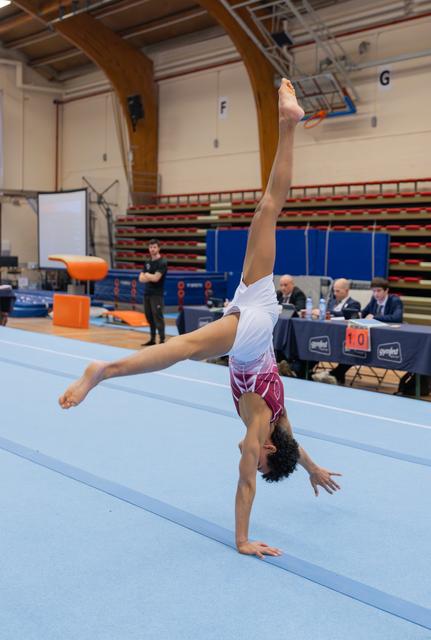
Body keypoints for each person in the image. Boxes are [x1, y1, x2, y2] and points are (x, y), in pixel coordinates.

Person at [58, 79, 341, 559]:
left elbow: (294, 446)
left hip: (255, 312)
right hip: (250, 334)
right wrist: (242, 539)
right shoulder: (258, 434)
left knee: (267, 211)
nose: (251, 459)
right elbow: (246, 485)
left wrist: (311, 468)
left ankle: (288, 125)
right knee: (184, 348)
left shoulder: (279, 424)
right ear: (267, 451)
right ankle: (102, 371)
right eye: (263, 462)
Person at [313, 277, 404, 385]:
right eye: (373, 291)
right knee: (354, 348)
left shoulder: (395, 300)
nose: (375, 294)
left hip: (390, 338)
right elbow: (364, 312)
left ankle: (335, 374)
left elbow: (397, 318)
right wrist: (357, 315)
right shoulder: (374, 300)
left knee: (357, 349)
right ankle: (336, 374)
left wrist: (375, 317)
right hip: (373, 335)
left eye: (378, 291)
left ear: (386, 290)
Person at [139, 239, 168, 346]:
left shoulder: (162, 262)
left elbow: (156, 278)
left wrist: (147, 275)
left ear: (158, 248)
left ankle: (162, 340)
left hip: (157, 294)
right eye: (151, 247)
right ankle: (152, 339)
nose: (152, 249)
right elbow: (140, 278)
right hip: (147, 293)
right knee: (149, 316)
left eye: (154, 247)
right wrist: (149, 276)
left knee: (158, 316)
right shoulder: (147, 262)